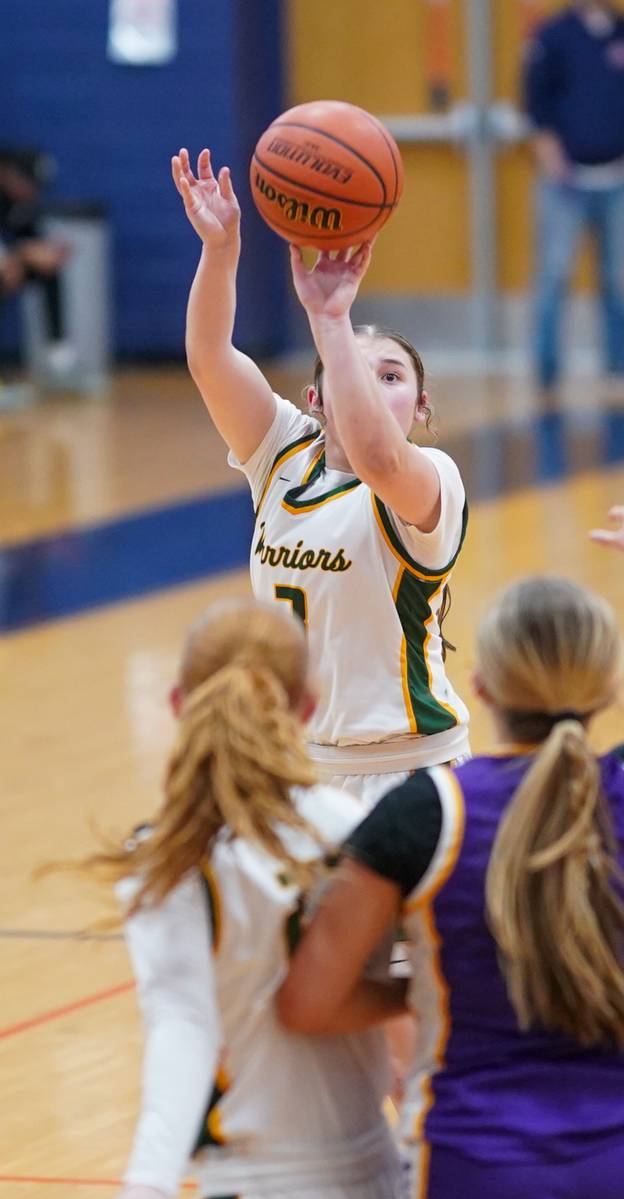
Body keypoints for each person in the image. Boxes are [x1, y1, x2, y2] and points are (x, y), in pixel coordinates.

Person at [278, 506, 624, 1199]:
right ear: (609, 689)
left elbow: (310, 1003)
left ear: (483, 687)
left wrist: (446, 992)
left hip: (476, 1164)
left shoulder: (424, 815)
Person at [171, 148, 469, 807]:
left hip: (409, 771)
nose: (365, 379)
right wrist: (220, 251)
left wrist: (332, 320)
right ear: (314, 398)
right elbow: (209, 359)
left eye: (389, 375)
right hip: (298, 765)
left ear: (420, 408)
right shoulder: (281, 451)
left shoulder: (432, 482)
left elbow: (378, 458)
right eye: (349, 370)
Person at [82, 598, 401, 1199]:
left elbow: (183, 1028)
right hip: (378, 1176)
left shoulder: (166, 858)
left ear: (178, 705)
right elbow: (411, 1025)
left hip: (255, 1184)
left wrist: (145, 1187)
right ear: (307, 707)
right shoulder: (355, 829)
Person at [522, 1, 624, 393]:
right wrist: (551, 156)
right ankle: (546, 368)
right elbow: (536, 105)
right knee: (554, 273)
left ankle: (620, 362)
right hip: (567, 180)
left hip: (619, 178)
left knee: (617, 276)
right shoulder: (553, 34)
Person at [0, 147, 74, 379]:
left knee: (48, 271)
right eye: (30, 183)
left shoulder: (22, 204)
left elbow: (31, 242)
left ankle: (59, 352)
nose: (34, 191)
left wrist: (47, 253)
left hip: (10, 265)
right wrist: (17, 255)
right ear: (10, 174)